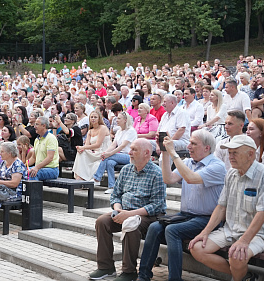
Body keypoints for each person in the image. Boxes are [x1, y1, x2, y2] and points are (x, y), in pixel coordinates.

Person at [189, 135, 264, 281]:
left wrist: (244, 241)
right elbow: (221, 207)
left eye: (235, 152)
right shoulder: (231, 173)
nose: (230, 156)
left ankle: (238, 278)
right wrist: (205, 232)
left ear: (251, 154)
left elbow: (263, 212)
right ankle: (245, 277)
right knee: (196, 248)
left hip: (262, 234)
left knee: (237, 256)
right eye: (229, 152)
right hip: (232, 230)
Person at [137, 130, 226, 281]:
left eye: (193, 143)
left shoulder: (217, 166)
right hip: (185, 215)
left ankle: (175, 278)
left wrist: (173, 153)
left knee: (172, 230)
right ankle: (143, 275)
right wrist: (165, 152)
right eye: (189, 142)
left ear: (207, 148)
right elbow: (168, 178)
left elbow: (191, 178)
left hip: (208, 219)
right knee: (154, 227)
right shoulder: (187, 162)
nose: (189, 146)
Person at [89, 139, 166, 281]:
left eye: (134, 150)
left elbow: (157, 205)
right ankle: (106, 267)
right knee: (102, 222)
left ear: (147, 153)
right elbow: (116, 195)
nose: (129, 152)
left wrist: (129, 214)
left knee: (130, 224)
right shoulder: (126, 169)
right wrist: (118, 210)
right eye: (130, 149)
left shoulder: (157, 173)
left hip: (148, 216)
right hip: (124, 212)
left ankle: (129, 271)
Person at [93, 112, 136, 194]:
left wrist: (109, 154)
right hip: (119, 155)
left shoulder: (131, 131)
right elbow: (113, 145)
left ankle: (97, 178)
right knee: (109, 163)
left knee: (108, 157)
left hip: (129, 156)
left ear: (125, 120)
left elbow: (122, 146)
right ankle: (112, 186)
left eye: (119, 118)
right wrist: (105, 152)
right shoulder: (119, 131)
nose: (116, 120)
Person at [72, 111, 111, 181]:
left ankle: (82, 178)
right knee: (81, 152)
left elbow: (98, 145)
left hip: (103, 152)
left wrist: (83, 147)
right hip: (94, 153)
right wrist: (81, 149)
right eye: (91, 117)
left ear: (99, 118)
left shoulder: (103, 128)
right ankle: (79, 176)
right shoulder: (90, 131)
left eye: (95, 117)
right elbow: (87, 145)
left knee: (83, 150)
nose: (93, 119)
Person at [27, 116, 60, 180]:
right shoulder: (37, 139)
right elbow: (33, 158)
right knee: (22, 172)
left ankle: (34, 190)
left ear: (44, 126)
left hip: (52, 169)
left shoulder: (51, 138)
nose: (34, 127)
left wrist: (37, 167)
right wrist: (24, 166)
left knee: (33, 173)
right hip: (40, 168)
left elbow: (50, 158)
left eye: (37, 124)